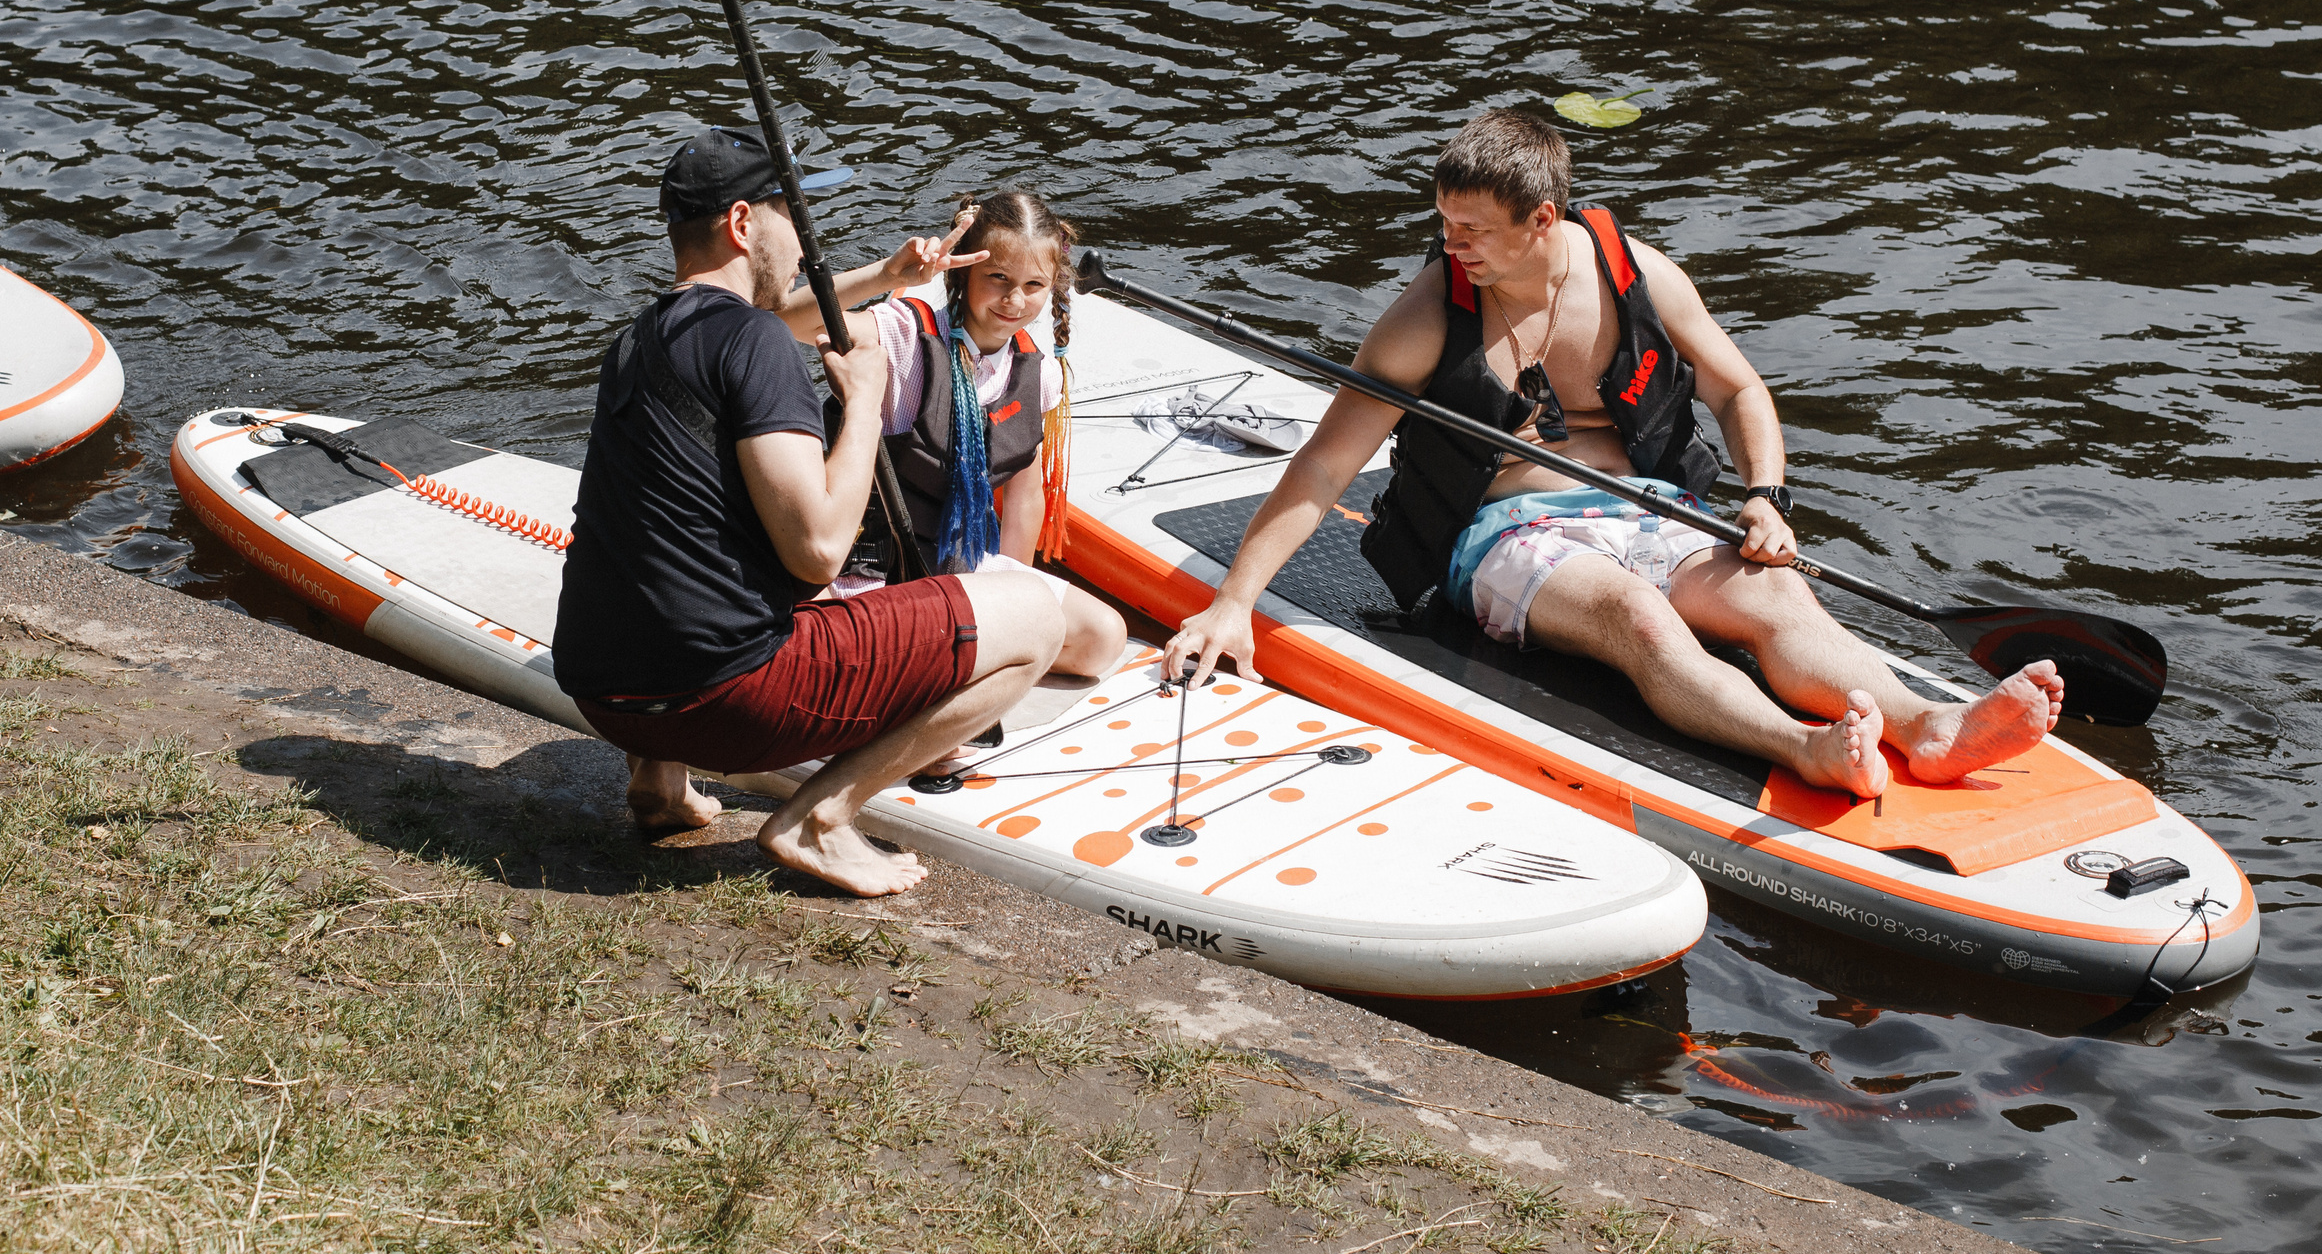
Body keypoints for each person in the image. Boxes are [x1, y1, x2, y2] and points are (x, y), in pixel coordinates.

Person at [1162, 108, 2064, 799]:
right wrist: (1233, 603)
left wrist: (1767, 497)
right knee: (1638, 616)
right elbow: (1323, 465)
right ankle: (1807, 750)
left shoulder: (1637, 271)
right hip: (1506, 535)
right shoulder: (1427, 315)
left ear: (1542, 218)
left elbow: (1738, 389)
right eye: (1444, 222)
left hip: (1647, 509)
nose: (1450, 244)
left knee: (1778, 593)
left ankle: (1926, 727)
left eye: (1470, 228)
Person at [554, 124, 1063, 896]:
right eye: (791, 215)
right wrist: (861, 402)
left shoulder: (639, 337)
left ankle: (659, 783)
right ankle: (820, 819)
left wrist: (886, 276)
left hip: (603, 693)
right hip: (726, 703)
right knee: (1037, 619)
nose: (802, 241)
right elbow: (820, 550)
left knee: (678, 521)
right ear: (741, 224)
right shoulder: (755, 341)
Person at [832, 191, 1128, 682]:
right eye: (998, 279)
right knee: (931, 680)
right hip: (871, 573)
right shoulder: (903, 335)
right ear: (962, 272)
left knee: (1102, 638)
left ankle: (960, 657)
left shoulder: (1041, 375)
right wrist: (888, 275)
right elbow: (786, 321)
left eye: (1034, 284)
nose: (1015, 301)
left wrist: (1012, 611)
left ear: (1054, 285)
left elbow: (1025, 495)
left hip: (959, 571)